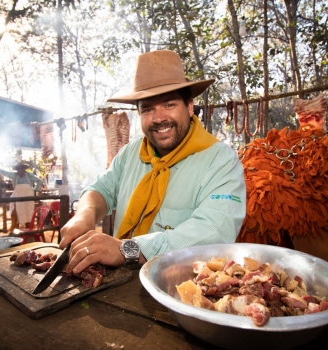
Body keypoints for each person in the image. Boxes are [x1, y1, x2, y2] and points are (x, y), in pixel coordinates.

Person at [60, 50, 246, 275]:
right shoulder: (131, 153)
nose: (158, 118)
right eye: (147, 109)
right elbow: (100, 190)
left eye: (169, 105)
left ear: (189, 106)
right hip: (117, 285)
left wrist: (126, 249)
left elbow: (215, 230)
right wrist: (85, 215)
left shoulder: (220, 161)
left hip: (179, 289)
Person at [0, 162, 43, 228]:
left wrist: (35, 189)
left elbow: (39, 181)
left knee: (29, 212)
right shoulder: (14, 175)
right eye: (19, 169)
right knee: (17, 212)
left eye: (22, 169)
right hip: (18, 197)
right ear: (17, 170)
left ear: (24, 169)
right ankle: (15, 228)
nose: (20, 170)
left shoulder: (29, 175)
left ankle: (29, 228)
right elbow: (3, 172)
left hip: (28, 197)